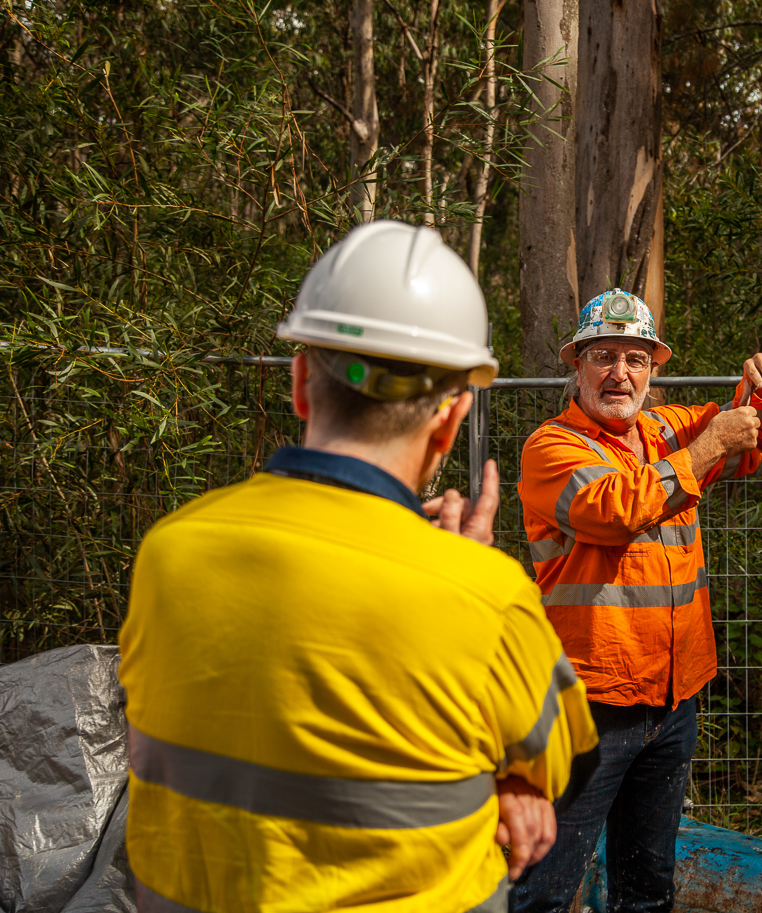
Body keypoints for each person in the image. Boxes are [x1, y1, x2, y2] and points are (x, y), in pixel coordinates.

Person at [118, 221, 599, 913]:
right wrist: (512, 778)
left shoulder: (169, 550)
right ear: (451, 419)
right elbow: (570, 768)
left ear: (300, 385)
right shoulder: (485, 596)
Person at [512, 288, 762, 912]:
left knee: (648, 891)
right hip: (590, 703)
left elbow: (743, 441)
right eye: (604, 356)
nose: (620, 373)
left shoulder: (667, 430)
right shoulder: (552, 448)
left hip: (672, 699)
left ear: (651, 371)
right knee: (545, 893)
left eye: (635, 359)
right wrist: (710, 444)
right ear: (577, 365)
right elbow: (616, 510)